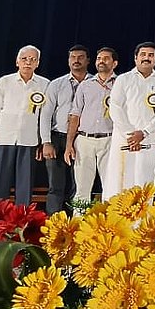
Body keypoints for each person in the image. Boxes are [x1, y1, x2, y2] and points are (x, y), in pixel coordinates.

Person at [0, 45, 49, 206]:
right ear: (17, 61)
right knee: (0, 185)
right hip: (3, 140)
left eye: (32, 59)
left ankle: (22, 222)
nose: (28, 63)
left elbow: (44, 117)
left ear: (37, 63)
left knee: (25, 186)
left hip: (29, 141)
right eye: (24, 59)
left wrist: (42, 143)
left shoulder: (44, 84)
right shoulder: (4, 82)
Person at [105, 42, 155, 198]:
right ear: (135, 58)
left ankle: (143, 221)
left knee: (145, 181)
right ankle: (117, 221)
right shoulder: (123, 79)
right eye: (143, 55)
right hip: (124, 139)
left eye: (150, 55)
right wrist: (131, 134)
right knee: (119, 182)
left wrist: (144, 132)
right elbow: (115, 107)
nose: (146, 58)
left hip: (148, 139)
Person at [41, 45, 91, 213]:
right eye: (73, 57)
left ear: (88, 60)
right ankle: (53, 225)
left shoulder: (95, 83)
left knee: (79, 185)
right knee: (56, 186)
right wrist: (46, 142)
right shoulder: (56, 84)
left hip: (83, 139)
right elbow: (46, 114)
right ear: (68, 60)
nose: (76, 60)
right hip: (58, 138)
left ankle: (76, 224)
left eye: (80, 57)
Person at [66, 47, 117, 204]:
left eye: (106, 58)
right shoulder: (85, 85)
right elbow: (75, 115)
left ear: (114, 63)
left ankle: (109, 223)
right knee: (82, 187)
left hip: (109, 139)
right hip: (84, 140)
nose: (101, 61)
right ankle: (79, 224)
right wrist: (69, 144)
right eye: (99, 58)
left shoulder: (121, 84)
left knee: (110, 186)